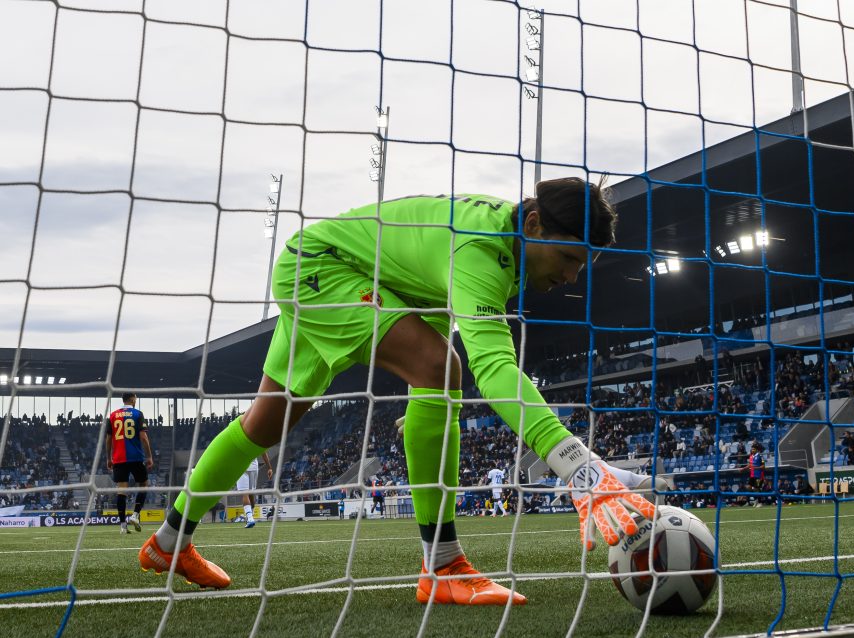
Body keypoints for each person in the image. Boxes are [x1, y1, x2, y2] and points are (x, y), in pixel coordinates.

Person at [138, 178, 656, 602]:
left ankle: (168, 543)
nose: (571, 276)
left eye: (581, 266)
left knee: (265, 424)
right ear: (536, 223)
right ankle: (444, 566)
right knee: (441, 368)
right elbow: (494, 366)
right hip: (323, 270)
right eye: (568, 258)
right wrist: (577, 465)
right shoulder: (484, 249)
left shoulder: (510, 240)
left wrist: (431, 404)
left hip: (334, 269)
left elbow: (419, 281)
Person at [106, 392, 154, 535]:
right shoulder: (138, 414)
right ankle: (135, 515)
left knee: (122, 490)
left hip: (119, 458)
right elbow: (144, 437)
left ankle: (122, 526)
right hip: (136, 458)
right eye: (136, 399)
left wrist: (109, 458)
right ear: (132, 399)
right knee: (144, 485)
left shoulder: (113, 415)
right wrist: (149, 456)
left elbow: (108, 439)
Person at [234, 452, 273, 528]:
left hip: (241, 467)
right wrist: (269, 468)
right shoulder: (255, 439)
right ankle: (250, 516)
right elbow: (263, 452)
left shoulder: (236, 440)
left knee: (245, 494)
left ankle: (250, 518)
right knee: (251, 493)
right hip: (254, 467)